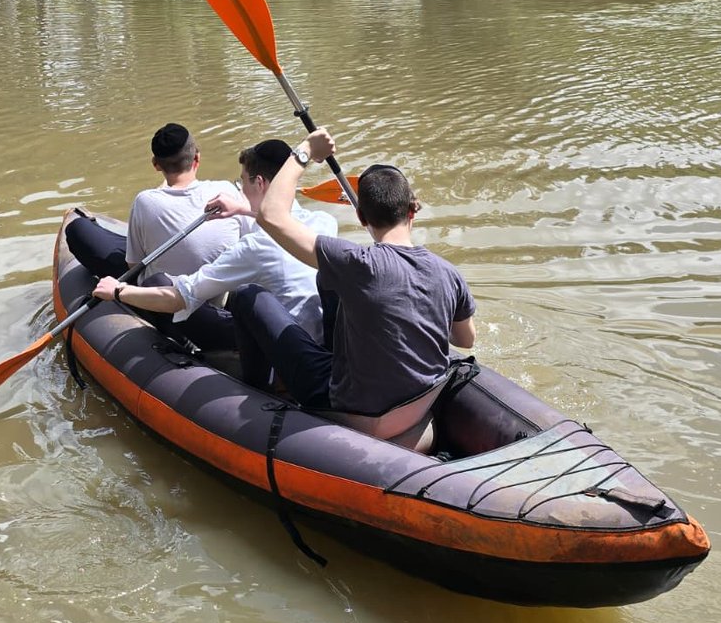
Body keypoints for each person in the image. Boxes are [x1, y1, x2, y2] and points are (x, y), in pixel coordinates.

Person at [236, 127, 475, 413]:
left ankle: (255, 392)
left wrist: (305, 151)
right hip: (419, 407)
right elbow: (465, 339)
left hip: (350, 407)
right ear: (413, 210)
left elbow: (270, 215)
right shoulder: (449, 273)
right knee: (326, 281)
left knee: (246, 296)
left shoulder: (355, 263)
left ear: (361, 217)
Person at [92, 139, 337, 350]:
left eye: (243, 182)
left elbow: (178, 298)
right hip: (320, 337)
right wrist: (244, 209)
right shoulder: (325, 223)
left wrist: (117, 291)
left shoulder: (254, 247)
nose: (241, 189)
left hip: (283, 350)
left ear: (259, 183)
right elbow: (284, 225)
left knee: (158, 283)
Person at [66, 123, 240, 286]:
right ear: (197, 157)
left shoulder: (145, 201)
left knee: (78, 229)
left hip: (163, 290)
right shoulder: (226, 190)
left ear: (156, 165)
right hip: (222, 285)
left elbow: (133, 265)